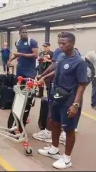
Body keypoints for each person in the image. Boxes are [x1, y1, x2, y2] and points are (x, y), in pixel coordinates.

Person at [37, 32, 89, 169]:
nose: (60, 46)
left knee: (69, 128)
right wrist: (44, 77)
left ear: (72, 43)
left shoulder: (79, 62)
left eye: (63, 43)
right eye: (59, 43)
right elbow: (57, 71)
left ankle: (67, 159)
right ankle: (54, 149)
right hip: (57, 95)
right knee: (54, 123)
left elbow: (82, 85)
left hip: (70, 100)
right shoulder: (60, 56)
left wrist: (75, 105)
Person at [85, 41, 96, 111]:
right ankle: (94, 104)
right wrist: (90, 72)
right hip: (95, 76)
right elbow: (85, 62)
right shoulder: (91, 54)